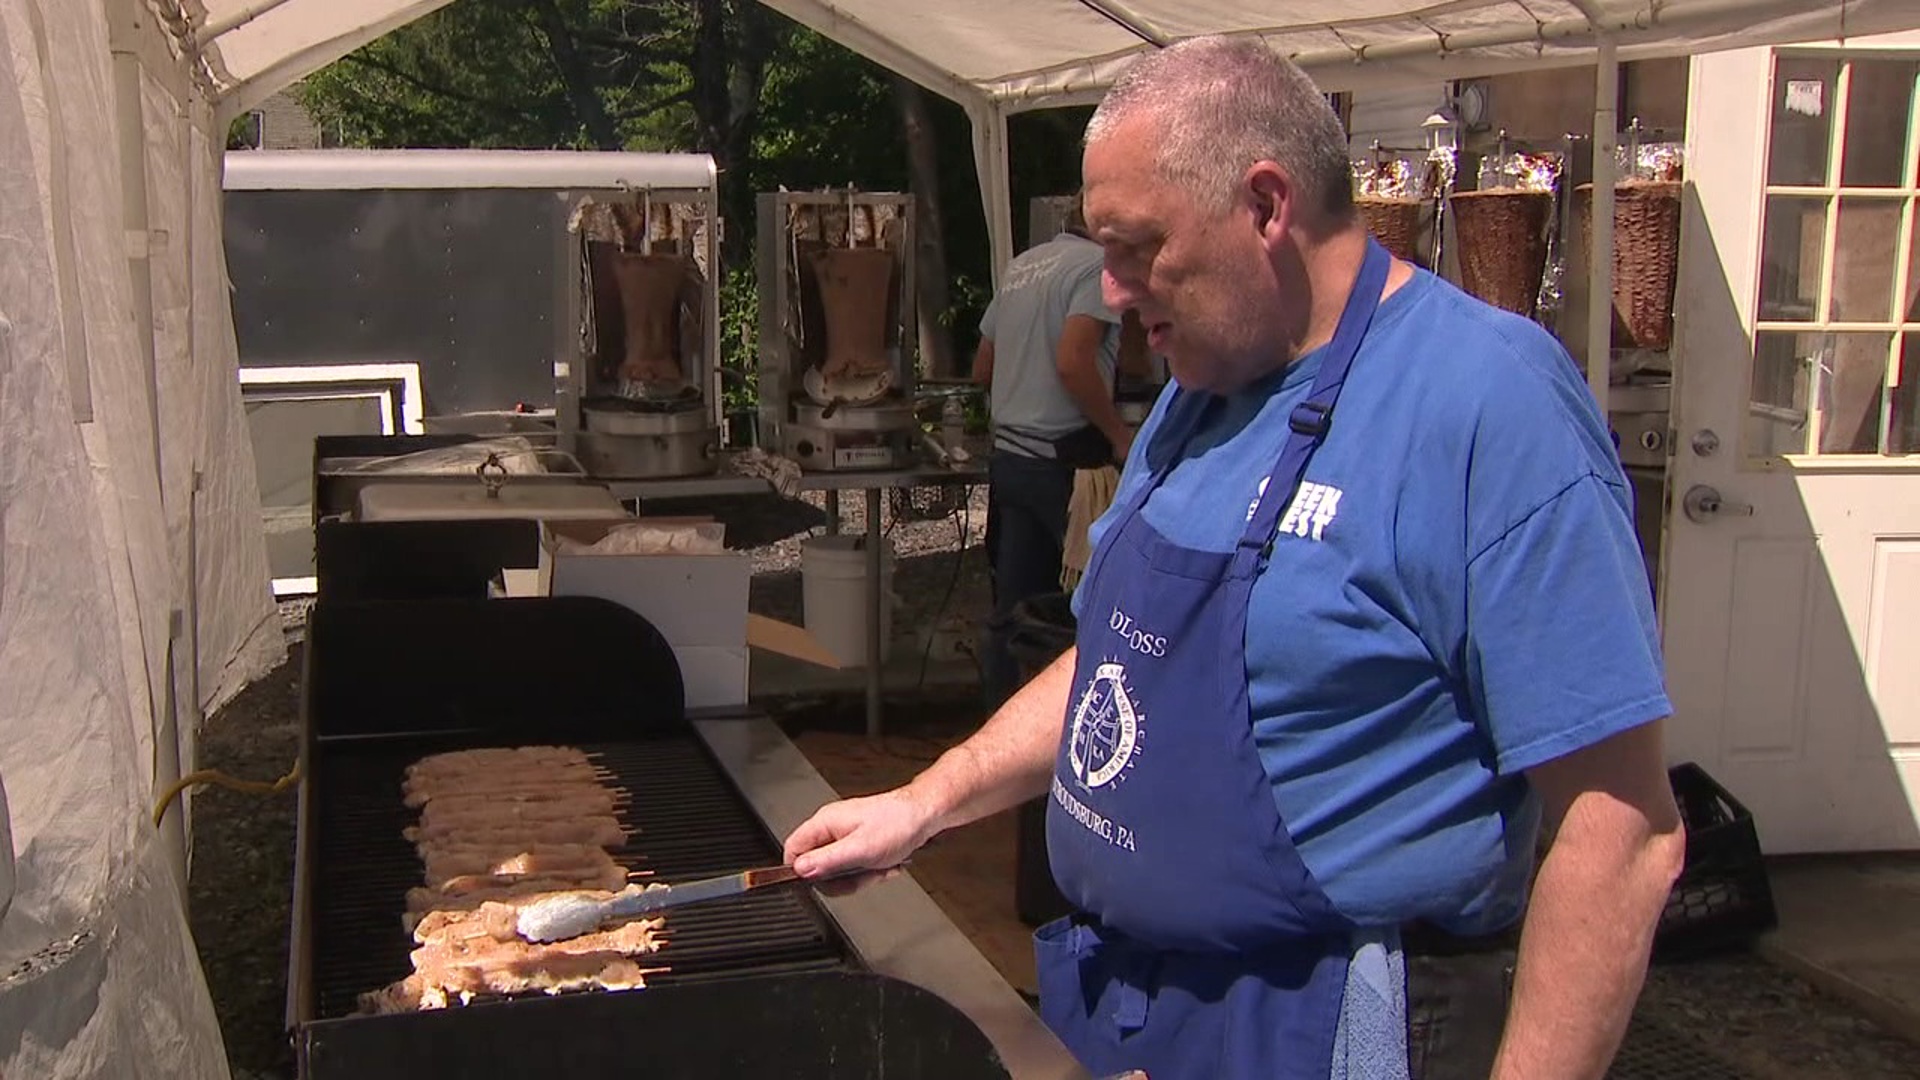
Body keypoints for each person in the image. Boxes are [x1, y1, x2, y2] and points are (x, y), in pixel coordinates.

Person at [784, 35, 1685, 1080]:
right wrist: (926, 802)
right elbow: (1125, 663)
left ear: (1265, 206)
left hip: (1329, 1024)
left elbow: (1622, 830)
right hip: (1127, 1007)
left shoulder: (1486, 401)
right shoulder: (1199, 385)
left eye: (1135, 248)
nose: (1113, 293)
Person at [971, 197, 1134, 707]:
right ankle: (1086, 716)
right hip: (1063, 462)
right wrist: (1118, 433)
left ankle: (1000, 717)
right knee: (1091, 597)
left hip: (1011, 459)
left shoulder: (1021, 266)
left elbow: (982, 369)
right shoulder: (1096, 268)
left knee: (1015, 604)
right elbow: (1073, 360)